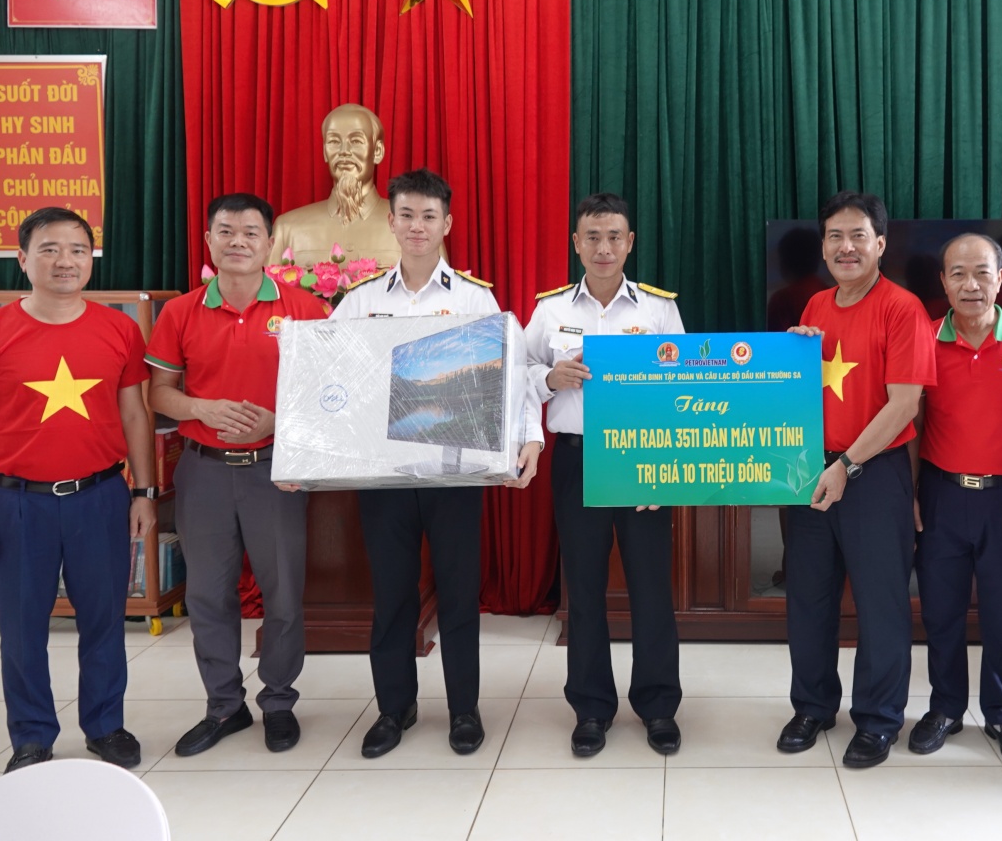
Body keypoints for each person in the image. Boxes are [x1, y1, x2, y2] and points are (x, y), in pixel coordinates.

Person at [330, 168, 545, 758]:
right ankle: (393, 708)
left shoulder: (475, 299)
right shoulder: (362, 301)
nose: (418, 226)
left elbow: (515, 376)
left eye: (429, 216)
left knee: (457, 594)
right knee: (392, 596)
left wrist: (529, 438)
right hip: (384, 473)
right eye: (407, 215)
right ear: (391, 221)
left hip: (456, 471)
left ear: (447, 223)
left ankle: (464, 710)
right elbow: (329, 376)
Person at [0, 208, 156, 773]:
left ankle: (106, 726)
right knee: (21, 629)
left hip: (101, 497)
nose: (65, 260)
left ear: (90, 259)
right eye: (49, 249)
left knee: (104, 621)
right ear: (23, 259)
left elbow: (135, 416)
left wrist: (144, 491)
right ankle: (31, 735)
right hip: (18, 504)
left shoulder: (119, 329)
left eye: (77, 249)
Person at [146, 193, 331, 756]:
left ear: (270, 243)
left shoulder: (305, 309)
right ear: (209, 241)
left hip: (276, 470)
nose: (238, 242)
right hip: (202, 472)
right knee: (207, 595)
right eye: (225, 231)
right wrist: (199, 408)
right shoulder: (180, 313)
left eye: (251, 232)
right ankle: (224, 705)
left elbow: (331, 395)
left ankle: (278, 701)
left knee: (283, 594)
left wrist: (282, 420)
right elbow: (159, 393)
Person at [777, 191, 936, 769]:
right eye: (835, 237)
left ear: (881, 244)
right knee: (809, 598)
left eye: (858, 236)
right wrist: (790, 358)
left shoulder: (902, 308)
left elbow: (905, 405)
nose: (846, 247)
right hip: (809, 469)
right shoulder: (816, 305)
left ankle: (878, 719)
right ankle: (813, 706)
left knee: (881, 603)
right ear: (823, 247)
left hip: (871, 473)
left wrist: (846, 466)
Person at [523, 192, 685, 758]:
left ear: (630, 242)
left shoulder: (658, 310)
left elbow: (679, 391)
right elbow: (519, 373)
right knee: (585, 589)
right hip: (578, 457)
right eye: (592, 237)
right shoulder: (550, 311)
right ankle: (591, 708)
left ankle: (658, 706)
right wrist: (550, 378)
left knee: (651, 587)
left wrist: (665, 469)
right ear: (576, 243)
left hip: (643, 459)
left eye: (614, 236)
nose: (603, 247)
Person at [910, 233, 1002, 765]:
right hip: (942, 494)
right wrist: (912, 494)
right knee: (940, 611)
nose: (971, 284)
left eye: (982, 272)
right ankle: (945, 707)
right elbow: (912, 423)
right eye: (958, 274)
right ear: (943, 282)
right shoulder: (924, 338)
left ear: (1000, 277)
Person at [268, 103, 404, 268]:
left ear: (377, 151)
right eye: (334, 141)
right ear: (325, 152)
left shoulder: (409, 227)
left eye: (356, 141)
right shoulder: (287, 229)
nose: (344, 151)